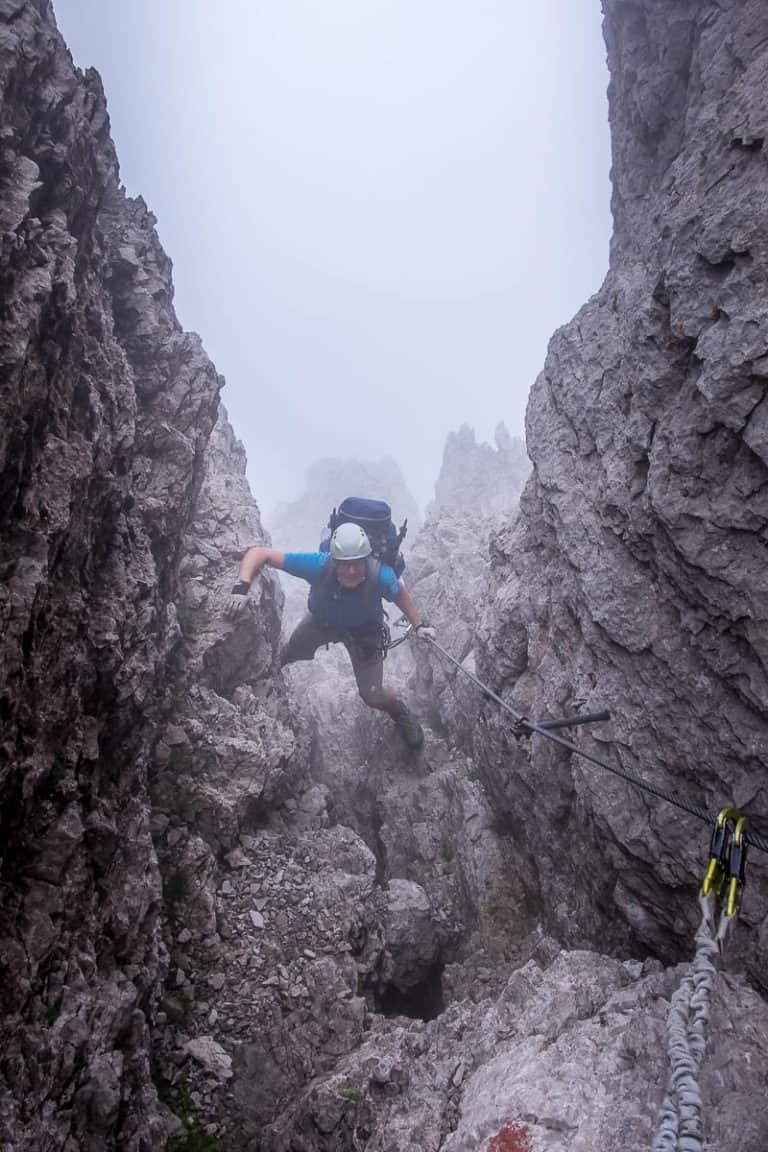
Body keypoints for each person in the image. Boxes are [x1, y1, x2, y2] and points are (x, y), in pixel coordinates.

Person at [228, 522, 435, 748]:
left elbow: (401, 595)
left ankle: (399, 711)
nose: (352, 571)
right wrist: (241, 587)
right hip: (321, 623)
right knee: (287, 654)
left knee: (372, 695)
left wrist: (419, 625)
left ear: (367, 560)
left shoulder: (381, 576)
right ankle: (266, 681)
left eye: (357, 564)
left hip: (364, 633)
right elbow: (259, 553)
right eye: (344, 564)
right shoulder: (318, 565)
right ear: (333, 560)